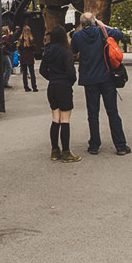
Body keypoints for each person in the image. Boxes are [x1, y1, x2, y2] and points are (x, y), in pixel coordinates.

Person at [70, 12, 130, 155]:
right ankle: (120, 145)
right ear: (94, 22)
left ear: (82, 23)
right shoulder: (103, 31)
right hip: (106, 78)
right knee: (113, 112)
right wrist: (103, 25)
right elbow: (120, 34)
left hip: (89, 79)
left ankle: (94, 145)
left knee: (92, 113)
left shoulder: (77, 36)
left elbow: (73, 51)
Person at [40, 26, 80, 163]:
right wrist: (69, 82)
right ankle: (66, 152)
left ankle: (54, 150)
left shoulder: (48, 51)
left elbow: (42, 70)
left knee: (55, 118)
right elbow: (70, 73)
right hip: (64, 86)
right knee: (65, 119)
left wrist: (51, 77)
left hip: (52, 86)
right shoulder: (65, 51)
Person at [18, 25, 38, 92]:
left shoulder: (21, 39)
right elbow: (34, 48)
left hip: (23, 57)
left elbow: (19, 48)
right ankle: (34, 87)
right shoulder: (31, 39)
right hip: (30, 57)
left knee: (24, 73)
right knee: (32, 72)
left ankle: (26, 87)